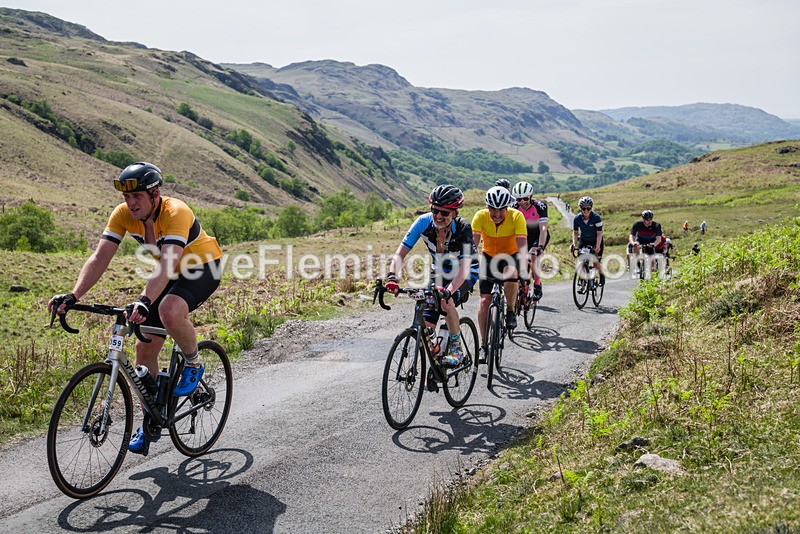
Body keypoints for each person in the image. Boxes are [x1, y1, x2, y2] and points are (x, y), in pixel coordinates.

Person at [48, 162, 223, 455]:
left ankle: (193, 363)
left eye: (137, 196)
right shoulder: (123, 215)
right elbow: (100, 258)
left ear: (155, 194)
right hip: (167, 273)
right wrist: (74, 295)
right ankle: (151, 419)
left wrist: (144, 299)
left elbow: (167, 264)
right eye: (127, 197)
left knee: (169, 310)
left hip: (202, 267)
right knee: (144, 349)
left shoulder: (176, 212)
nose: (131, 203)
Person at [385, 185, 479, 367]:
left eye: (444, 212)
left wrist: (449, 291)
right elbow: (400, 254)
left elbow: (465, 269)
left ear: (455, 213)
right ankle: (437, 359)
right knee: (427, 324)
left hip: (466, 272)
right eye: (435, 210)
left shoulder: (463, 228)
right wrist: (391, 277)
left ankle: (456, 349)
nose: (438, 216)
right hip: (440, 272)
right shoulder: (423, 222)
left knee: (445, 302)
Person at [472, 186, 528, 360]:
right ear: (487, 207)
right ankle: (483, 344)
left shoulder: (517, 216)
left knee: (511, 272)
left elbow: (522, 244)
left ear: (507, 208)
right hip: (488, 257)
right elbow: (472, 246)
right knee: (485, 300)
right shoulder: (480, 216)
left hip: (510, 255)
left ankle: (510, 310)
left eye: (501, 210)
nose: (496, 214)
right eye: (493, 209)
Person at [511, 181, 549, 300]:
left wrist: (541, 246)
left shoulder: (540, 206)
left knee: (533, 256)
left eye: (525, 198)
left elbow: (543, 228)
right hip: (523, 236)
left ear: (531, 196)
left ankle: (537, 284)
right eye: (519, 199)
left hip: (538, 235)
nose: (522, 202)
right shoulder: (513, 208)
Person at [571, 196, 605, 287]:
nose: (586, 210)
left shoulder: (596, 218)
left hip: (596, 241)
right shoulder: (577, 218)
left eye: (588, 208)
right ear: (581, 208)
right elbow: (575, 232)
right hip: (584, 241)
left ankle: (602, 275)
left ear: (591, 208)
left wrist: (598, 246)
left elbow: (599, 233)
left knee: (595, 262)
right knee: (581, 261)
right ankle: (583, 279)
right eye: (584, 208)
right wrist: (574, 243)